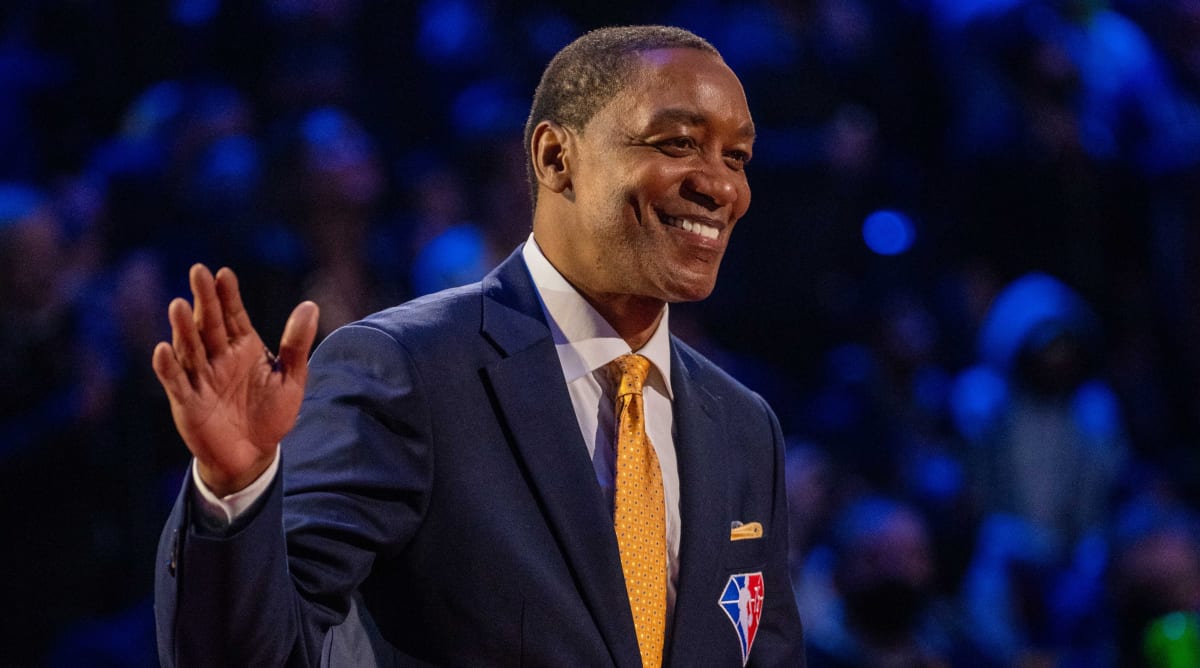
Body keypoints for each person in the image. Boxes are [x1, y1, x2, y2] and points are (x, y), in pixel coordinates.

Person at [152, 25, 805, 666]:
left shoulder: (744, 426)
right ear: (556, 158)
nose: (722, 186)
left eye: (736, 157)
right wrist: (235, 493)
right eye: (678, 143)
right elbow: (259, 652)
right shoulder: (406, 371)